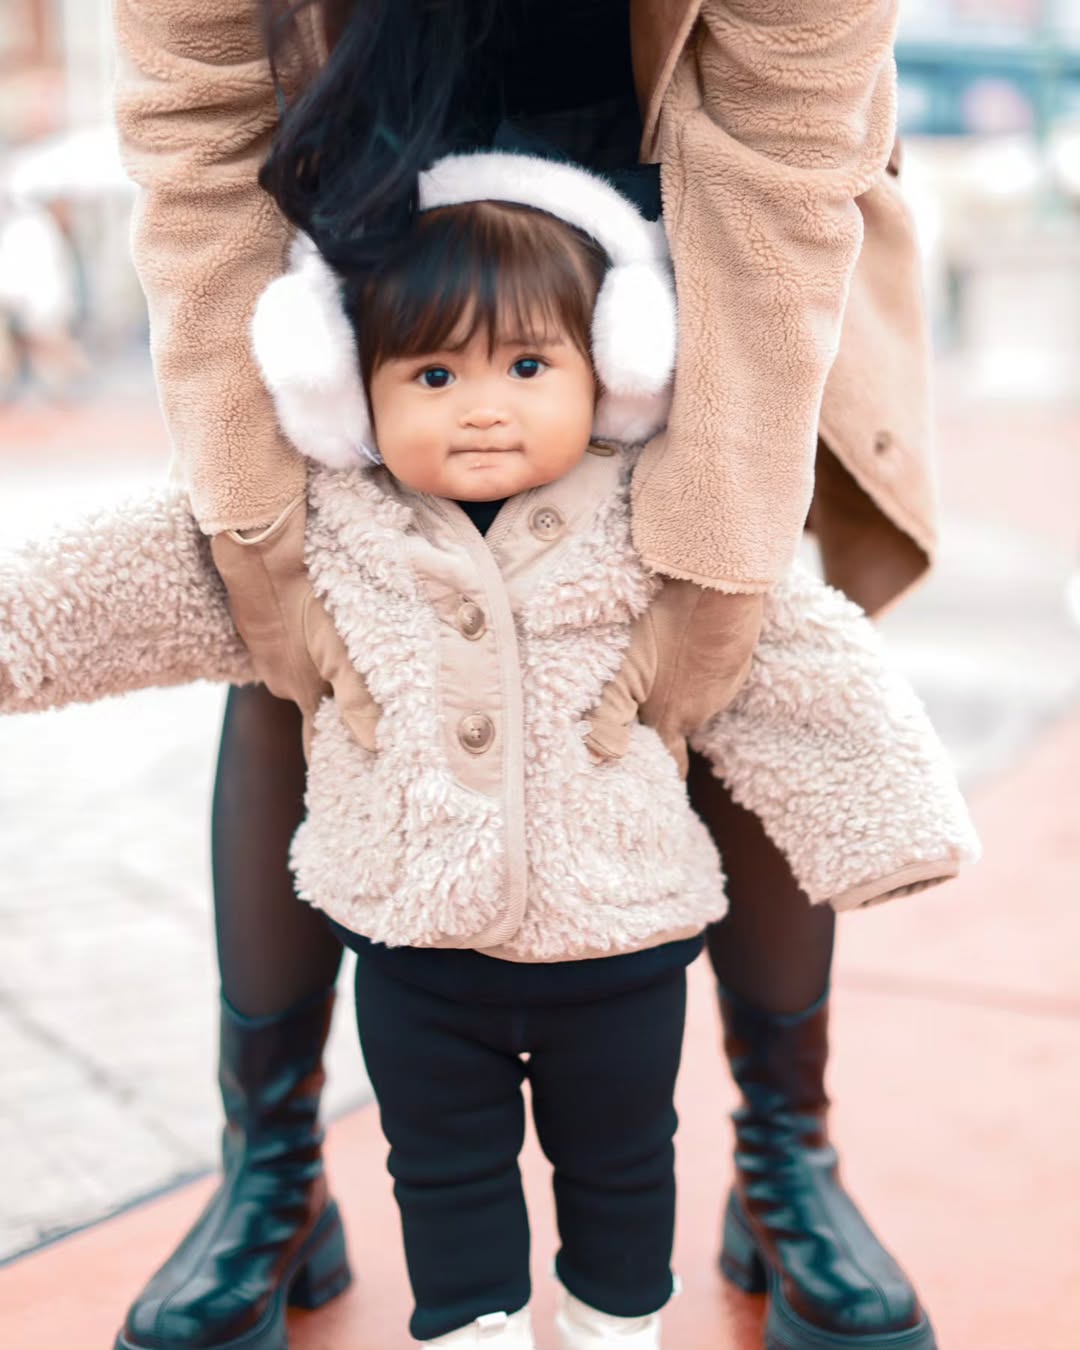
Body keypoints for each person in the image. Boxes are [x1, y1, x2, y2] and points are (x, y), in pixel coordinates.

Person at [0, 148, 976, 1349]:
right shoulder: (335, 515)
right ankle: (286, 1175)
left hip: (620, 948)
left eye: (526, 366)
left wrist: (891, 822)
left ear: (617, 375)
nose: (483, 405)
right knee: (446, 1173)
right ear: (346, 392)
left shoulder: (643, 514)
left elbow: (803, 664)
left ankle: (777, 1165)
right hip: (416, 954)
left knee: (622, 1167)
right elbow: (99, 588)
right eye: (431, 372)